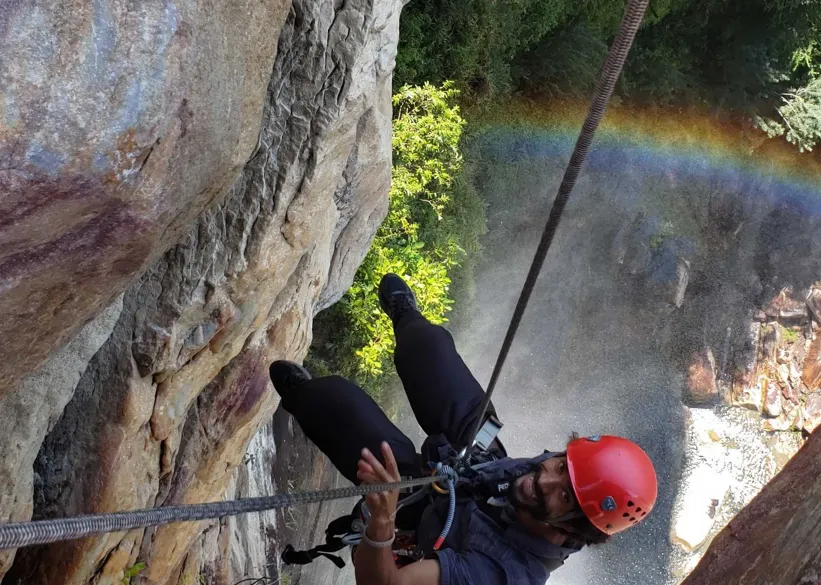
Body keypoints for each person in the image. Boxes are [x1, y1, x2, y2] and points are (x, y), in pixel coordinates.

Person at [269, 274, 658, 585]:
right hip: (476, 470)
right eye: (559, 466)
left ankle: (304, 395)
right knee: (428, 351)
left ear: (575, 530)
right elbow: (546, 476)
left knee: (340, 410)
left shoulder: (500, 573)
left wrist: (382, 521)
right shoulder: (550, 478)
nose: (544, 480)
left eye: (566, 497)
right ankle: (408, 319)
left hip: (417, 526)